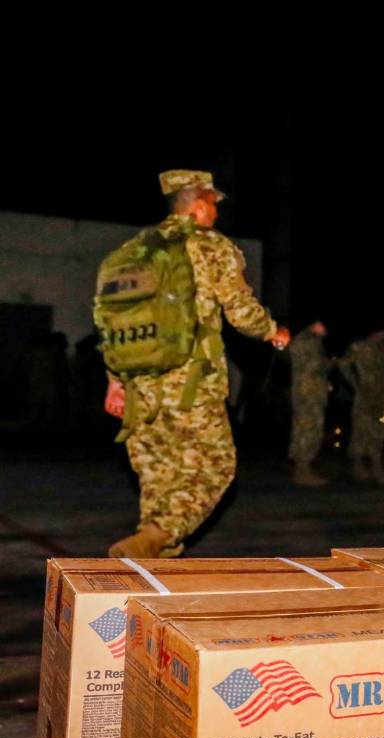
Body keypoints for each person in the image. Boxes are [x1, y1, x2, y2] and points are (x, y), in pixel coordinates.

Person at [101, 170, 288, 558]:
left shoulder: (136, 249)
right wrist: (272, 330)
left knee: (159, 481)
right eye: (215, 205)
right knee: (215, 469)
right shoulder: (213, 247)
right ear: (200, 204)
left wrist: (114, 381)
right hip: (191, 385)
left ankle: (151, 562)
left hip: (139, 385)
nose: (217, 214)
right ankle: (159, 536)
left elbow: (112, 318)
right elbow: (240, 311)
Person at [339, 328, 384, 483]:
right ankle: (358, 466)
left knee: (378, 431)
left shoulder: (383, 348)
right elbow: (343, 365)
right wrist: (355, 384)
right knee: (360, 429)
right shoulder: (358, 347)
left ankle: (376, 467)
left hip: (380, 396)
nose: (383, 335)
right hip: (364, 395)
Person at [288, 321, 332, 486]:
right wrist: (325, 363)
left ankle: (306, 469)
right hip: (306, 395)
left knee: (314, 430)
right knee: (304, 430)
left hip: (315, 394)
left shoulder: (314, 341)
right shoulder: (302, 341)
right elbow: (304, 365)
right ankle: (302, 471)